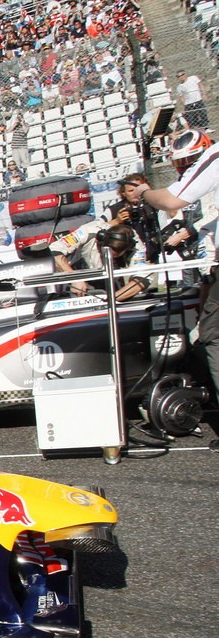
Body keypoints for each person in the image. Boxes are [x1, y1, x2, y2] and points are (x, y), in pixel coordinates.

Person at [124, 129, 219, 449]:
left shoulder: (214, 158)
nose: (186, 166)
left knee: (212, 338)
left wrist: (146, 192)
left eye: (190, 160)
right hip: (208, 269)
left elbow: (172, 199)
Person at [51, 222, 146, 299]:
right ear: (99, 241)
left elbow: (142, 278)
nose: (109, 258)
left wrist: (113, 298)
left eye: (115, 256)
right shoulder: (88, 231)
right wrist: (74, 277)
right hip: (78, 276)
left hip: (110, 282)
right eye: (105, 253)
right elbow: (54, 251)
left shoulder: (135, 245)